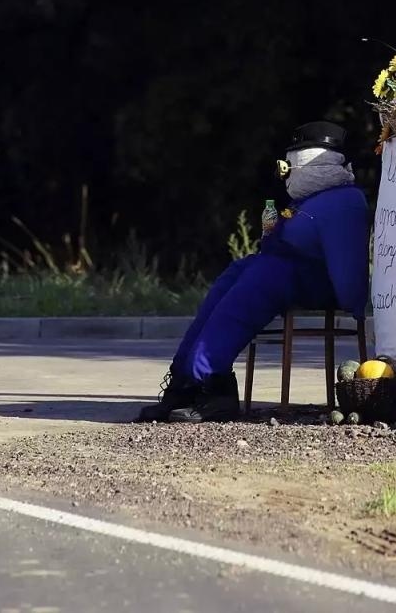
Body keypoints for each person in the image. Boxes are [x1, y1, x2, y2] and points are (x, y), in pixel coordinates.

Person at [135, 121, 369, 423]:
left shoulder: (344, 201)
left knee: (261, 278)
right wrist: (273, 221)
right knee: (237, 273)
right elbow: (269, 244)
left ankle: (211, 380)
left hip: (315, 280)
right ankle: (184, 380)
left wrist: (354, 301)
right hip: (287, 270)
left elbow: (347, 268)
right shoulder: (302, 202)